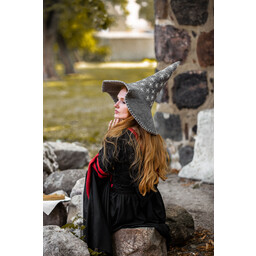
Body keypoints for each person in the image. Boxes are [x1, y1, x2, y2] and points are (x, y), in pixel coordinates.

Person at [83, 62, 180, 256]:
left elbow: (101, 170)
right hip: (149, 205)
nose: (115, 104)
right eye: (117, 100)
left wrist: (109, 138)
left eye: (122, 101)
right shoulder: (147, 136)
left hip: (123, 210)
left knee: (94, 187)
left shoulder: (120, 137)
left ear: (135, 107)